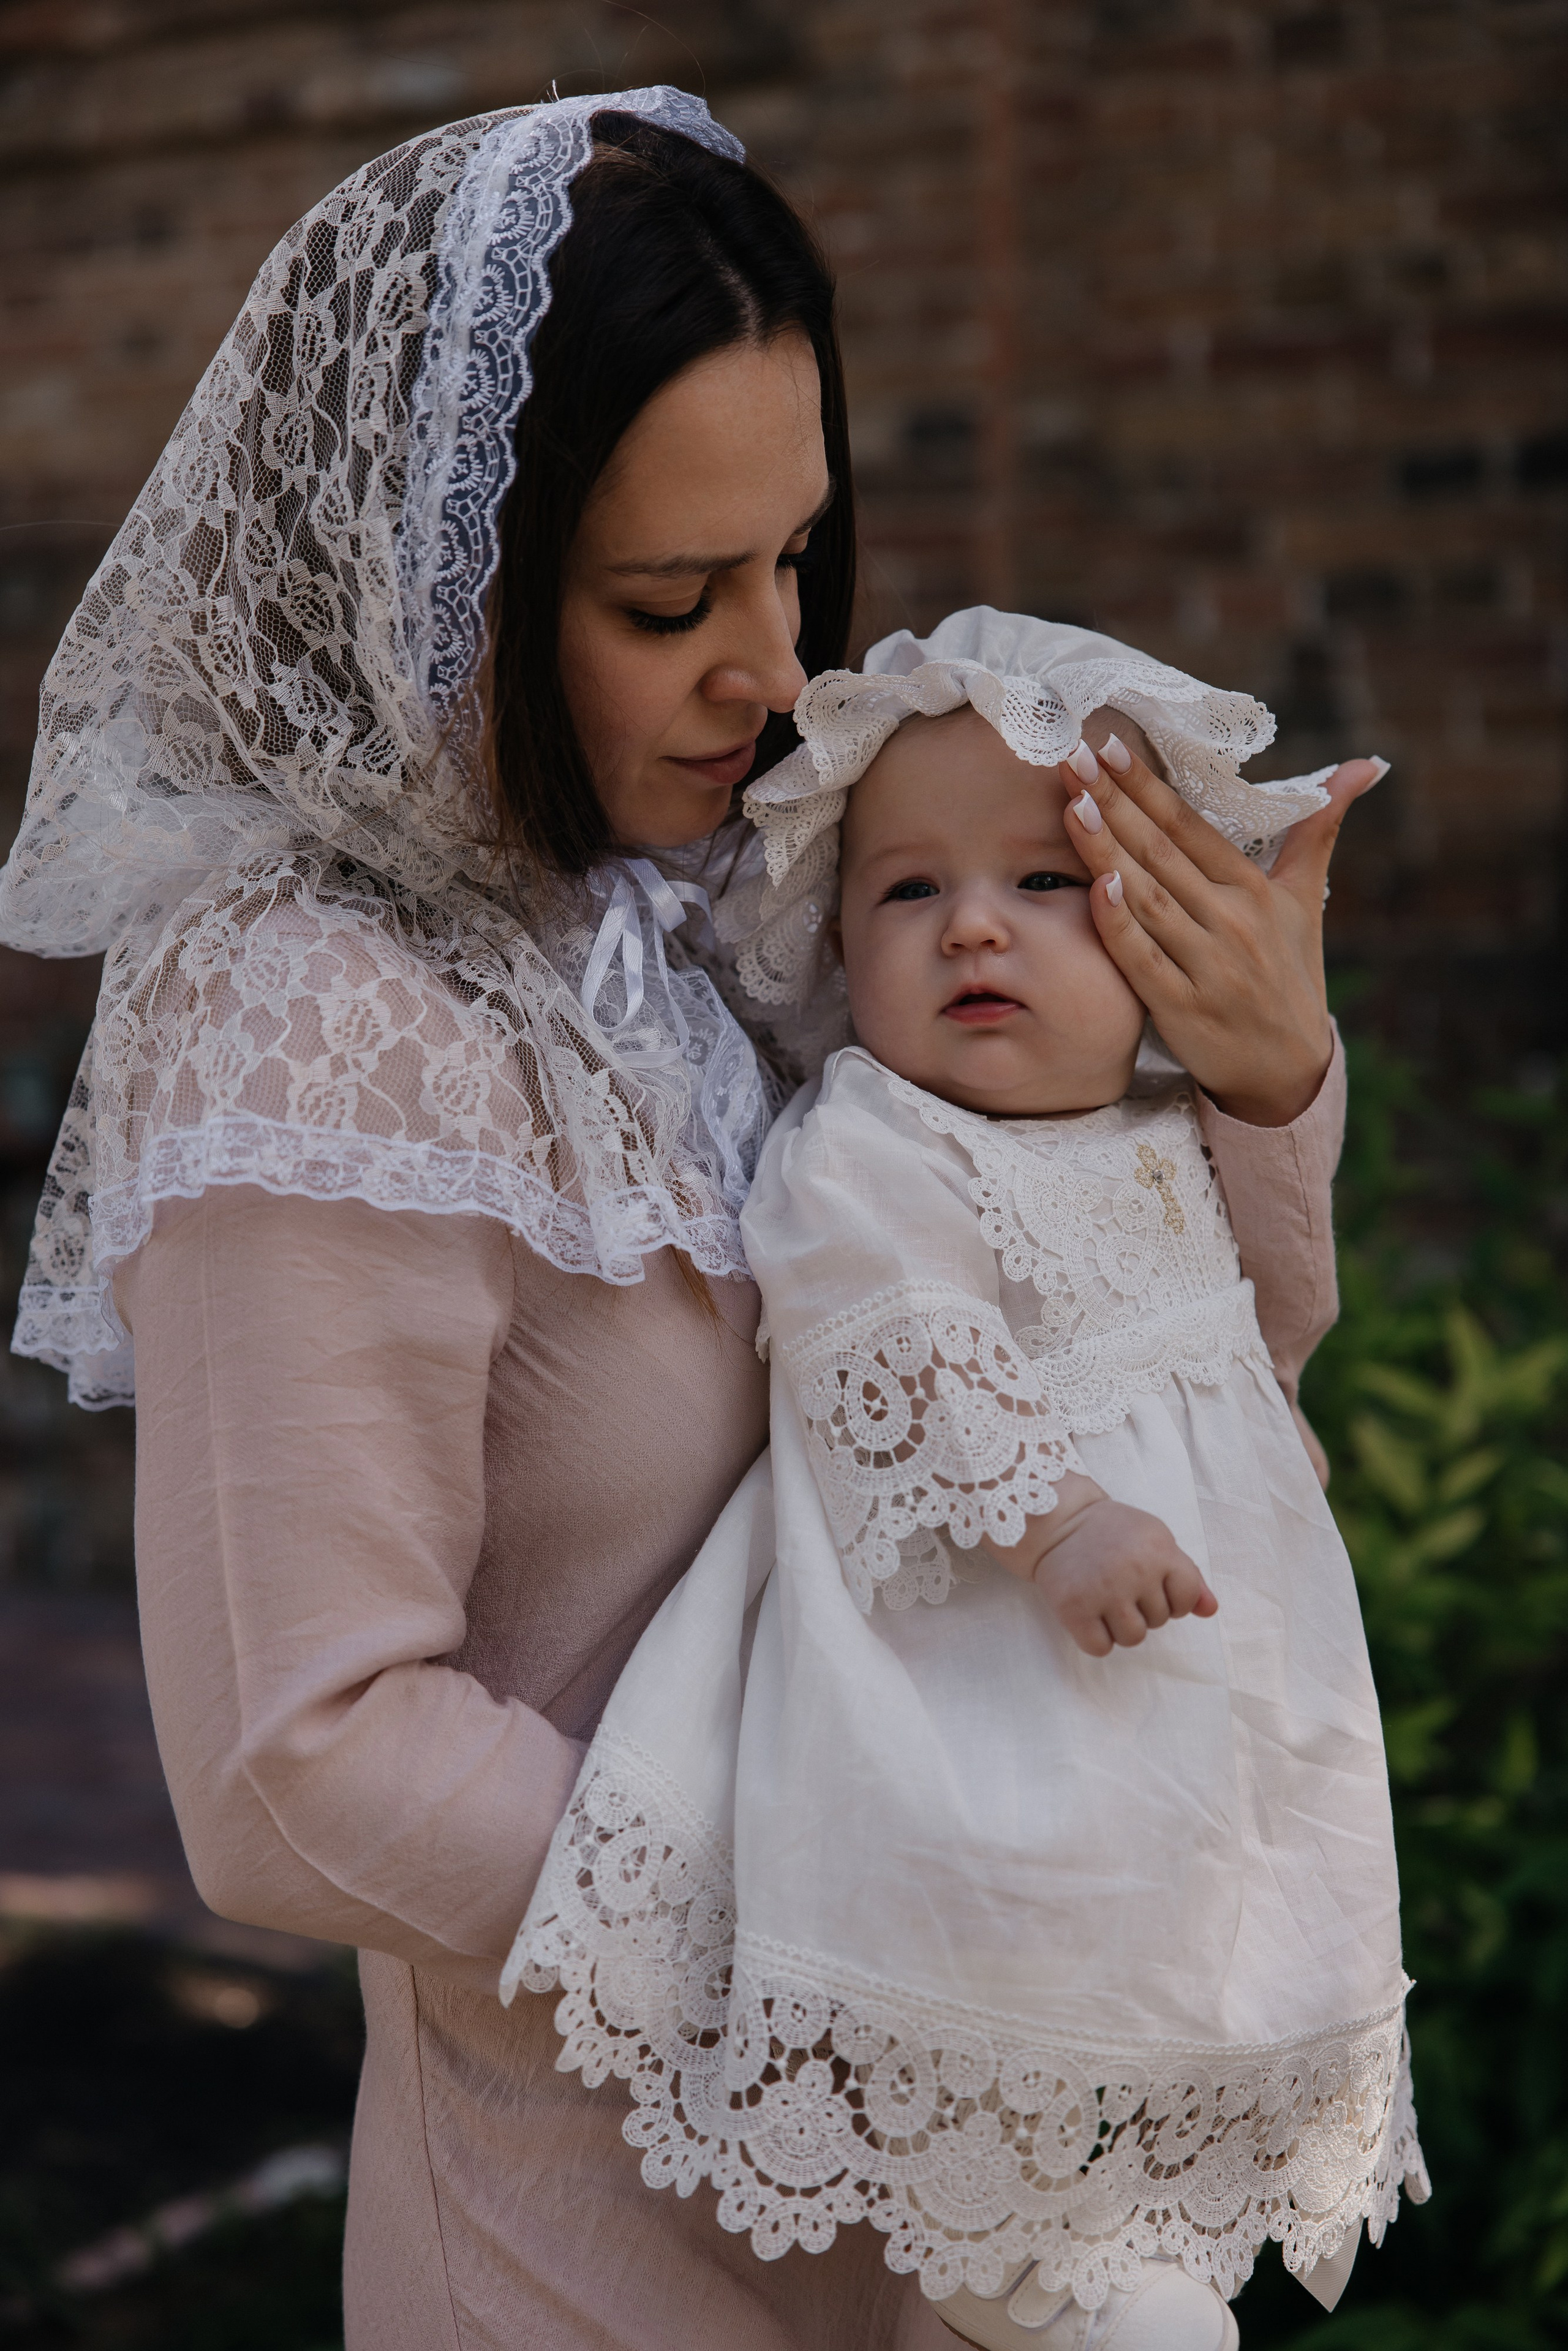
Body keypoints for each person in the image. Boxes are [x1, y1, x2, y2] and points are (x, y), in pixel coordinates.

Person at [0, 80, 1382, 2351]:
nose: (772, 669)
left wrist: (1260, 1084)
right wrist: (877, 1896)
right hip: (591, 2250)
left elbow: (1154, 1411)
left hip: (943, 2215)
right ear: (436, 586)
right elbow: (299, 1765)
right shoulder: (314, 1024)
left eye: (793, 563)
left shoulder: (728, 909)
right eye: (670, 599)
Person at [508, 611, 1428, 2351]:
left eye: (1047, 882)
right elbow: (890, 1335)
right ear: (836, 944)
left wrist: (1277, 1087)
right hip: (978, 1675)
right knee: (1009, 1969)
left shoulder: (1175, 1133)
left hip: (1187, 1723)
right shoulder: (876, 1139)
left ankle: (1076, 2244)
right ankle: (1025, 2266)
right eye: (910, 893)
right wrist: (1057, 1515)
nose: (975, 925)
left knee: (1176, 1971)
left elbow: (1277, 1317)